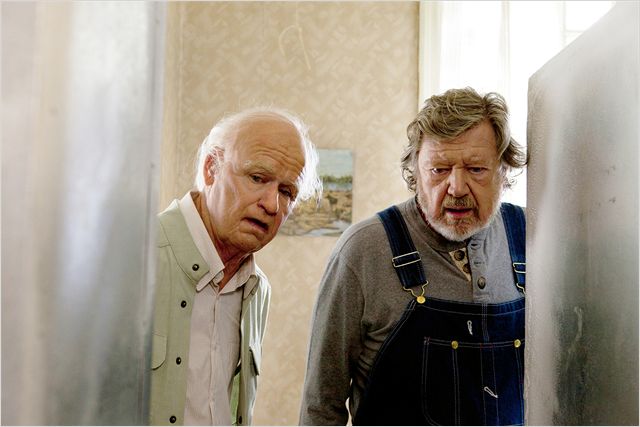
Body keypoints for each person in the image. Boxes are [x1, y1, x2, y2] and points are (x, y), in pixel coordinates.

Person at [299, 87, 527, 426]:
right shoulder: (363, 250)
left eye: (476, 169)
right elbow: (321, 405)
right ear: (415, 172)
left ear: (504, 171)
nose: (457, 187)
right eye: (439, 170)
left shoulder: (532, 236)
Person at [150, 107, 321, 426]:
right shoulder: (135, 255)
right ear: (211, 168)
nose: (272, 205)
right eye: (257, 178)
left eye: (287, 192)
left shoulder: (258, 290)